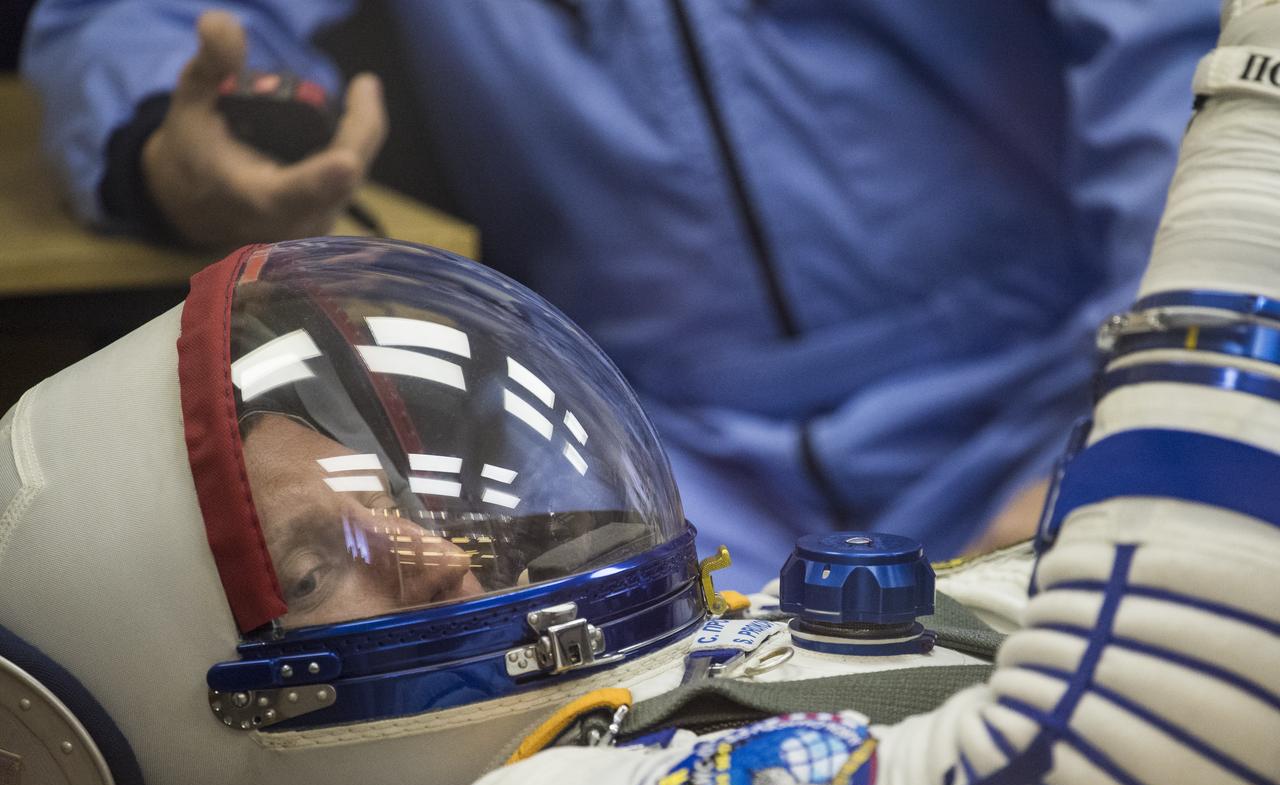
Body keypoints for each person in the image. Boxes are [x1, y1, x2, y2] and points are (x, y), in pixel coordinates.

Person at [18, 0, 1222, 588]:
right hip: (639, 440)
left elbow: (1183, 65)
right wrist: (156, 143)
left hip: (1057, 376)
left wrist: (1138, 420)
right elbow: (145, 15)